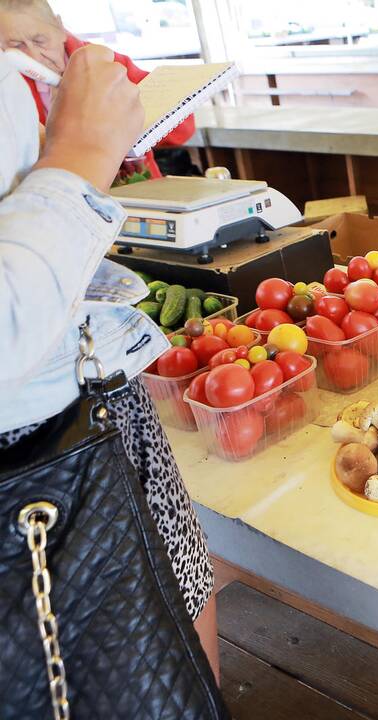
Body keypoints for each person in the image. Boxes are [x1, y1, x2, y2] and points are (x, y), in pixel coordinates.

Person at [0, 46, 218, 676]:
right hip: (42, 457)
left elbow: (175, 126)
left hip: (84, 405)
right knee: (119, 665)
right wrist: (78, 153)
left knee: (177, 593)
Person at [0, 0, 196, 184]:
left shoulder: (108, 64)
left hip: (137, 187)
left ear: (60, 28)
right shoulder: (10, 87)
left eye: (40, 41)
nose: (34, 55)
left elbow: (182, 127)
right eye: (16, 46)